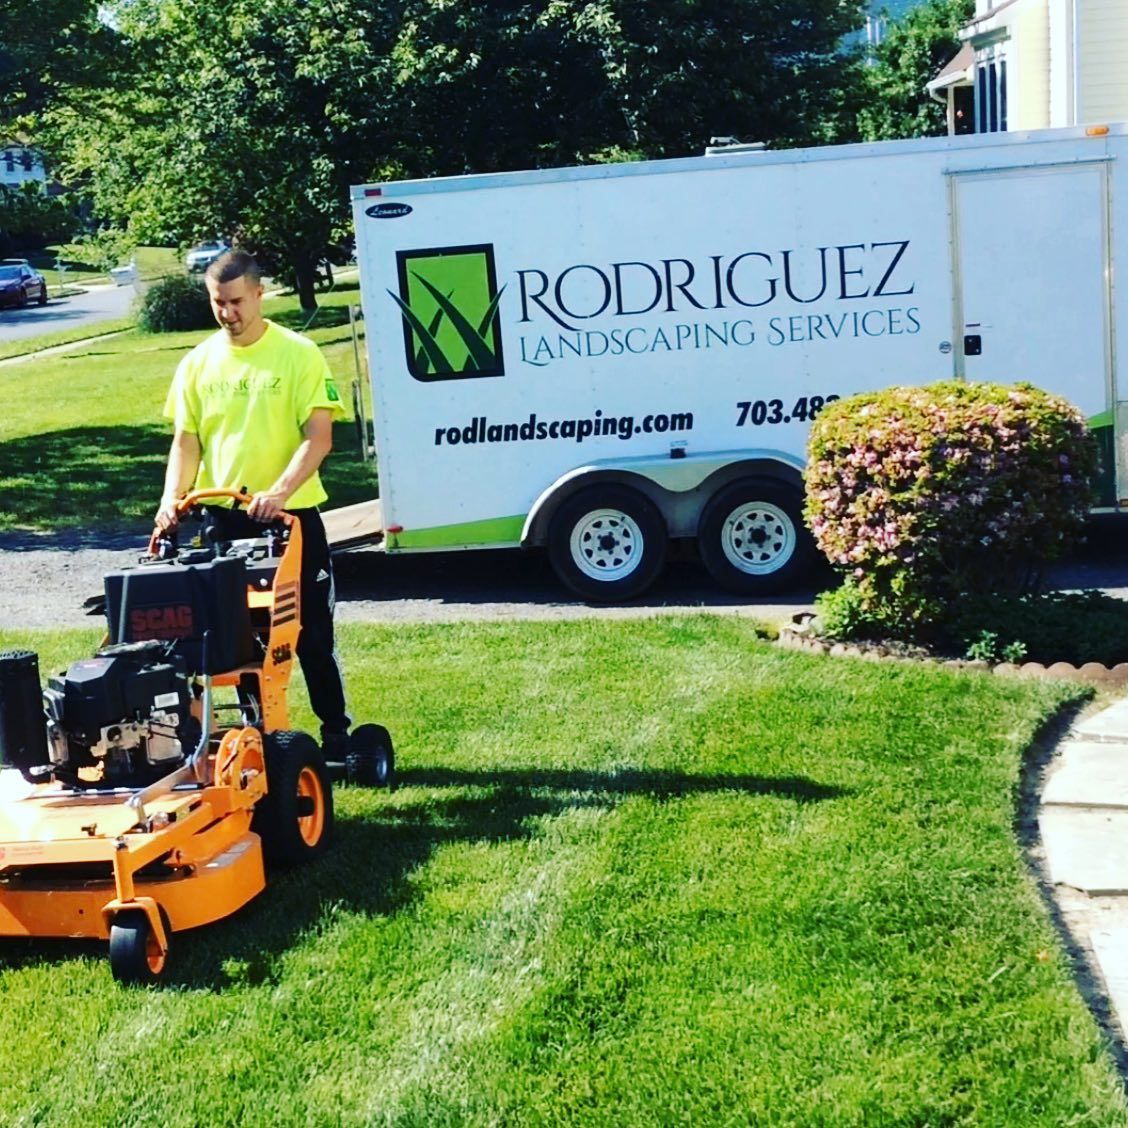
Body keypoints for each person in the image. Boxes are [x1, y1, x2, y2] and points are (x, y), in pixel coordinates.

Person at [155, 249, 351, 759]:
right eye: (218, 303)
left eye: (236, 301)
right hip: (223, 520)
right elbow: (187, 441)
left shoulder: (298, 354)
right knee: (237, 640)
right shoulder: (197, 364)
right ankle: (256, 742)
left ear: (260, 294)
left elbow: (319, 437)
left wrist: (280, 491)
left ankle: (336, 736)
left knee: (308, 634)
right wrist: (171, 499)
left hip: (289, 519)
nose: (228, 313)